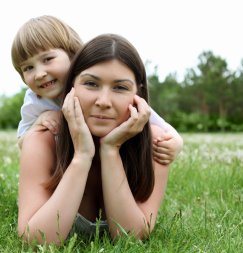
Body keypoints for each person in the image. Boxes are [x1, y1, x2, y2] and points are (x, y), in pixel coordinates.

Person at [18, 33, 171, 245]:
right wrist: (82, 156)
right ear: (71, 86)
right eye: (91, 83)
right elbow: (36, 241)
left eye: (120, 87)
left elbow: (131, 238)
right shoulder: (41, 139)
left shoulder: (157, 143)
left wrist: (110, 150)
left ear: (139, 94)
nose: (103, 101)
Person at [11, 15, 183, 165]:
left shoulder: (92, 87)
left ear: (73, 55)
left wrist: (176, 140)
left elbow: (149, 116)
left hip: (110, 161)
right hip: (68, 168)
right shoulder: (35, 101)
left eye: (48, 59)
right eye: (28, 68)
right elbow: (23, 144)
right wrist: (39, 122)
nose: (39, 74)